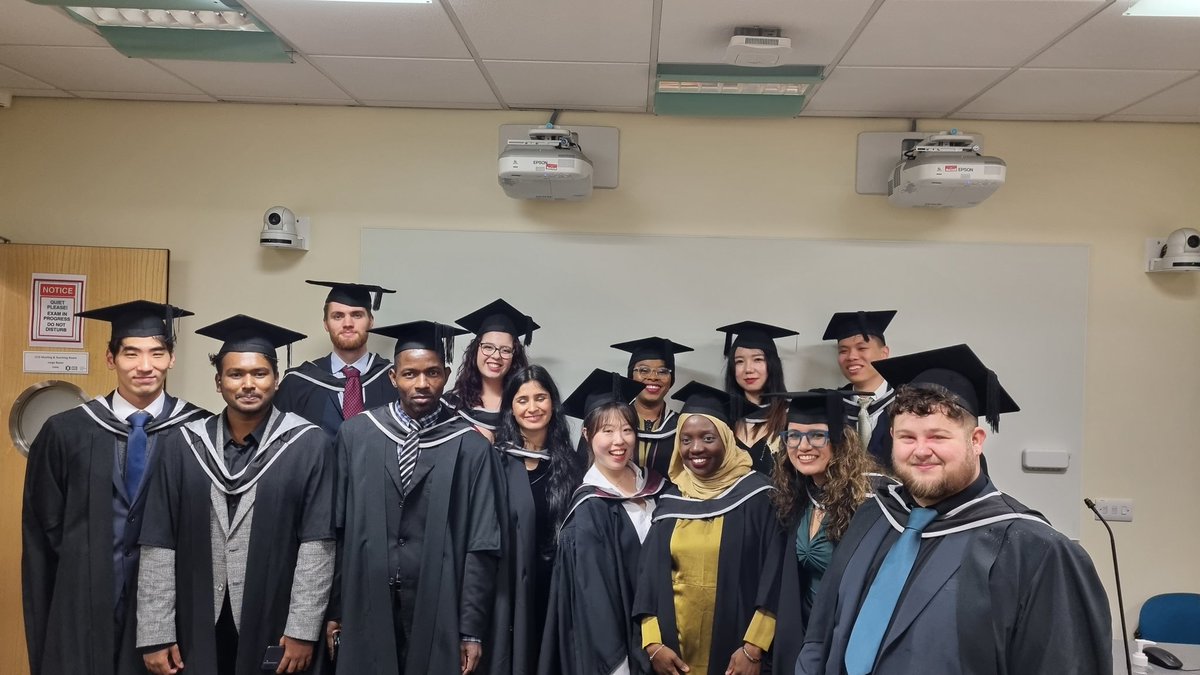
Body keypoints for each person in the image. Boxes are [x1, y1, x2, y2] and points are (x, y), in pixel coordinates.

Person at [796, 345, 1112, 675]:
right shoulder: (873, 516)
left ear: (976, 440)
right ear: (891, 437)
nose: (920, 451)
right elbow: (820, 634)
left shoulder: (1033, 550)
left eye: (938, 436)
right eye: (907, 437)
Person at [136, 314, 335, 675]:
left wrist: (303, 630)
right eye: (235, 374)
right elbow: (157, 542)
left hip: (274, 617)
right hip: (194, 620)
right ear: (218, 382)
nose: (248, 384)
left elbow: (317, 544)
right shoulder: (182, 445)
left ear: (276, 380)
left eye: (259, 373)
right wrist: (155, 632)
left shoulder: (309, 444)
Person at [22, 300, 208, 675]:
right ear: (111, 358)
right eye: (131, 353)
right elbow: (43, 531)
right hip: (83, 599)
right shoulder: (66, 432)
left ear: (172, 359)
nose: (145, 366)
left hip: (169, 610)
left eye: (157, 353)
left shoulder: (200, 431)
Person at [328, 320, 501, 675]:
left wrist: (471, 629)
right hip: (366, 598)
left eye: (432, 373)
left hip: (440, 604)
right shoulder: (356, 435)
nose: (421, 384)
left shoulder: (471, 446)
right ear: (393, 378)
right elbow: (338, 529)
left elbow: (481, 545)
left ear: (447, 375)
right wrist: (336, 609)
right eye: (410, 374)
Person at [634, 381, 784, 675]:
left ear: (727, 440)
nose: (696, 448)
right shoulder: (671, 499)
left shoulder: (758, 497)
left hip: (738, 653)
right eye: (686, 440)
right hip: (673, 655)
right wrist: (653, 645)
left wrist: (753, 649)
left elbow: (775, 576)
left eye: (707, 437)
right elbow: (647, 577)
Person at [539, 369, 667, 675]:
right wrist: (618, 664)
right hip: (623, 651)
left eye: (626, 430)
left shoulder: (660, 488)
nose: (618, 441)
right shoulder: (588, 510)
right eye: (606, 431)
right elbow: (594, 605)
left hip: (669, 638)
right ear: (586, 435)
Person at [766, 389, 877, 674]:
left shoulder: (869, 504)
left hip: (849, 637)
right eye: (793, 435)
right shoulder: (797, 498)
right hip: (805, 634)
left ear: (840, 439)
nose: (803, 446)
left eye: (817, 435)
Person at [489, 364, 584, 675]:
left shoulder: (571, 466)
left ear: (552, 404)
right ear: (510, 408)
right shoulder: (495, 462)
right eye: (522, 400)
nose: (532, 407)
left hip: (554, 589)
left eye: (540, 398)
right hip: (507, 588)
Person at [274, 280, 398, 437]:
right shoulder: (298, 383)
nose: (348, 323)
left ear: (371, 321)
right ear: (326, 323)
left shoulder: (394, 381)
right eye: (338, 316)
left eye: (357, 315)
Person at [447, 298, 538, 441]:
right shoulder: (452, 404)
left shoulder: (525, 407)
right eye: (488, 347)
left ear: (515, 356)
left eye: (506, 350)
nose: (496, 356)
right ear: (476, 350)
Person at [716, 321, 798, 474]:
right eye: (739, 361)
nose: (748, 369)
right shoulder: (722, 417)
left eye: (758, 359)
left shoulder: (793, 415)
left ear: (772, 364)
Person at [822, 311, 897, 471]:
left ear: (884, 353)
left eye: (861, 348)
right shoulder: (829, 405)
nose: (851, 356)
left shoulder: (907, 403)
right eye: (843, 351)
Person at [610, 337, 693, 481]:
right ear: (631, 375)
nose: (653, 377)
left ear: (671, 378)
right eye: (644, 370)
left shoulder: (683, 426)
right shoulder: (610, 422)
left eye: (662, 371)